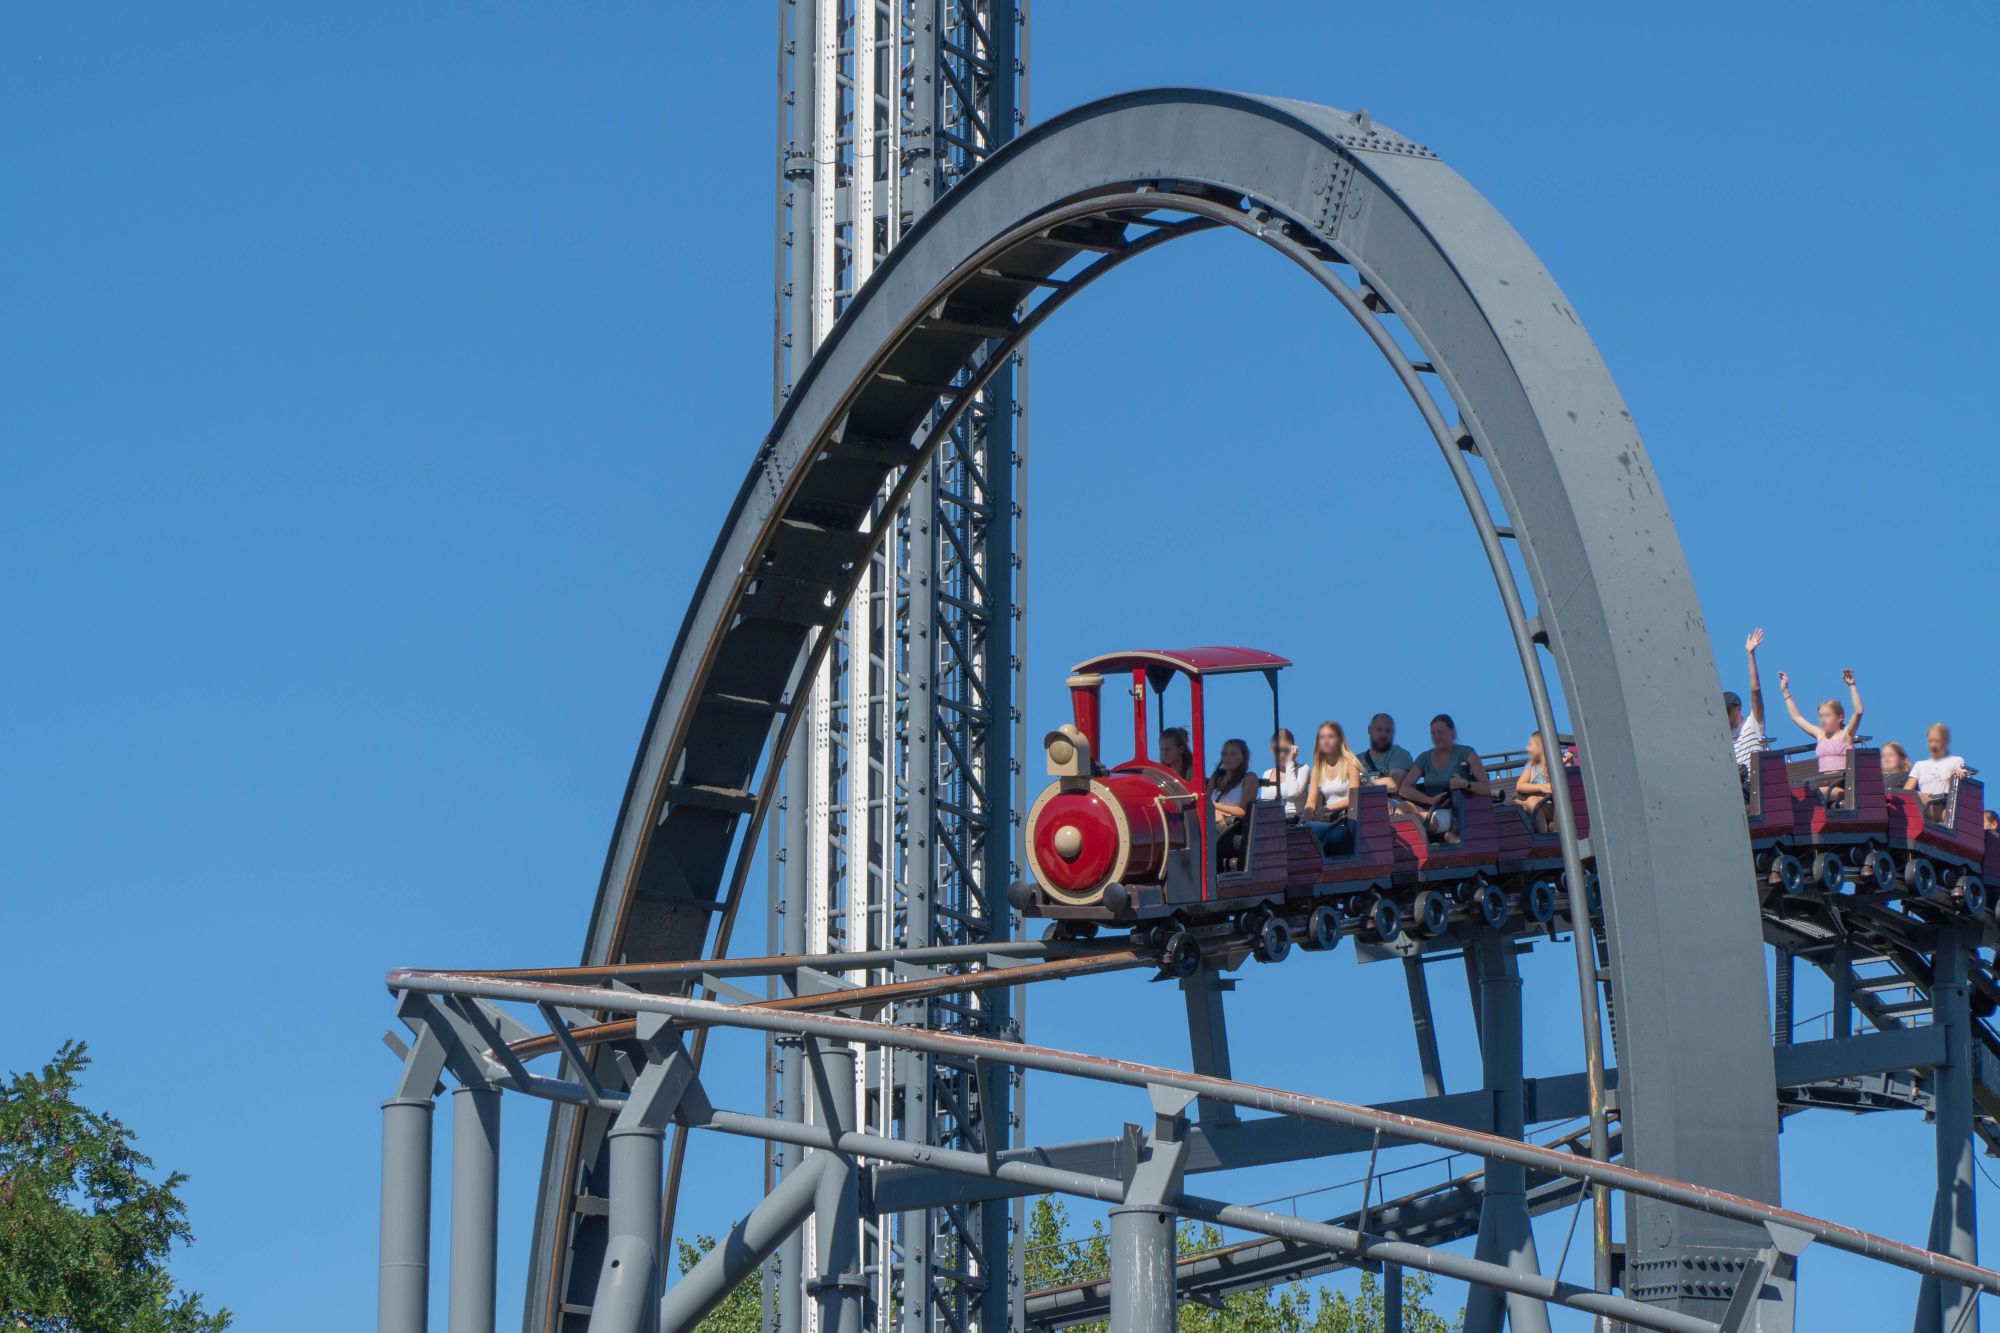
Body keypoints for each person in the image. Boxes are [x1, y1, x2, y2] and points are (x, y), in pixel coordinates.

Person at [1397, 714, 1492, 843]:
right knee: (1402, 808)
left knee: (1413, 819)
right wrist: (1428, 800)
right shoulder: (1424, 758)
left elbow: (1486, 789)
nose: (1437, 737)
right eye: (1433, 733)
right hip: (1430, 809)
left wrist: (1464, 784)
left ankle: (1424, 853)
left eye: (1441, 732)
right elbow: (1404, 788)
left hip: (1455, 813)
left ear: (1452, 732)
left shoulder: (1466, 753)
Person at [1777, 667, 1863, 805]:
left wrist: (1852, 686)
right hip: (1823, 783)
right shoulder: (1820, 735)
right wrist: (1785, 691)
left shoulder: (1846, 735)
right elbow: (1796, 717)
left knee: (1810, 793)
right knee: (1800, 793)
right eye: (1821, 716)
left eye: (1827, 716)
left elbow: (1858, 712)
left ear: (1839, 717)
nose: (1823, 719)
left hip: (1842, 784)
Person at [1299, 720, 1361, 854]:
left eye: (1330, 737)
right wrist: (1306, 815)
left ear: (1339, 740)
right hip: (1326, 820)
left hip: (1345, 822)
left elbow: (1354, 798)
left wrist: (1325, 809)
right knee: (1299, 831)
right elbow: (1311, 800)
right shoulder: (1317, 768)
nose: (1326, 741)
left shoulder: (1350, 764)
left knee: (1312, 832)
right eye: (1322, 737)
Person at [1726, 628, 1769, 801]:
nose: (1725, 715)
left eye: (1727, 710)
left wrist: (1750, 655)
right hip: (1733, 787)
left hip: (1753, 787)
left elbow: (1755, 690)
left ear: (1738, 708)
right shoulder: (1723, 736)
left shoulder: (1753, 723)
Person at [1206, 738, 1257, 869]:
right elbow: (1204, 801)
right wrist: (1215, 812)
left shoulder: (1249, 778)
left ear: (1243, 757)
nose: (1228, 757)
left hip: (1234, 829)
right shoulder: (1216, 776)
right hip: (1212, 823)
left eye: (1233, 754)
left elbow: (1243, 811)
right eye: (1225, 753)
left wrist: (1214, 806)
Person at [1907, 723, 1970, 823]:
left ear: (1945, 741)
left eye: (1936, 741)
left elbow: (1963, 777)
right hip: (1923, 806)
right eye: (1930, 741)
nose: (1933, 745)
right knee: (1910, 796)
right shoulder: (1919, 764)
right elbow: (1906, 791)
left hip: (1942, 805)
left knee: (1917, 796)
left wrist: (1959, 774)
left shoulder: (1956, 761)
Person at [1358, 712, 1413, 793]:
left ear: (1393, 733)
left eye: (1388, 731)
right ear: (1369, 730)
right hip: (1360, 804)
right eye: (1379, 730)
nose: (1383, 734)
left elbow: (1393, 784)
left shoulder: (1399, 754)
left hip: (1391, 803)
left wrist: (1359, 783)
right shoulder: (1356, 760)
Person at [1514, 731, 1557, 833]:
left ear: (1540, 746)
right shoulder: (1532, 766)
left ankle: (1543, 835)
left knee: (1531, 801)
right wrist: (1540, 787)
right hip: (1534, 803)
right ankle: (1546, 830)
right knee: (1522, 802)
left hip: (1552, 807)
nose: (1527, 749)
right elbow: (1519, 786)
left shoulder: (1556, 763)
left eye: (1530, 745)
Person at [1261, 728, 1306, 819]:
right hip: (1272, 822)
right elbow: (1264, 804)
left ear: (1293, 749)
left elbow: (1292, 793)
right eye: (1277, 750)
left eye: (1286, 750)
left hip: (1294, 821)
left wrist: (1290, 763)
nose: (1281, 755)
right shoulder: (1267, 773)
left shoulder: (1302, 769)